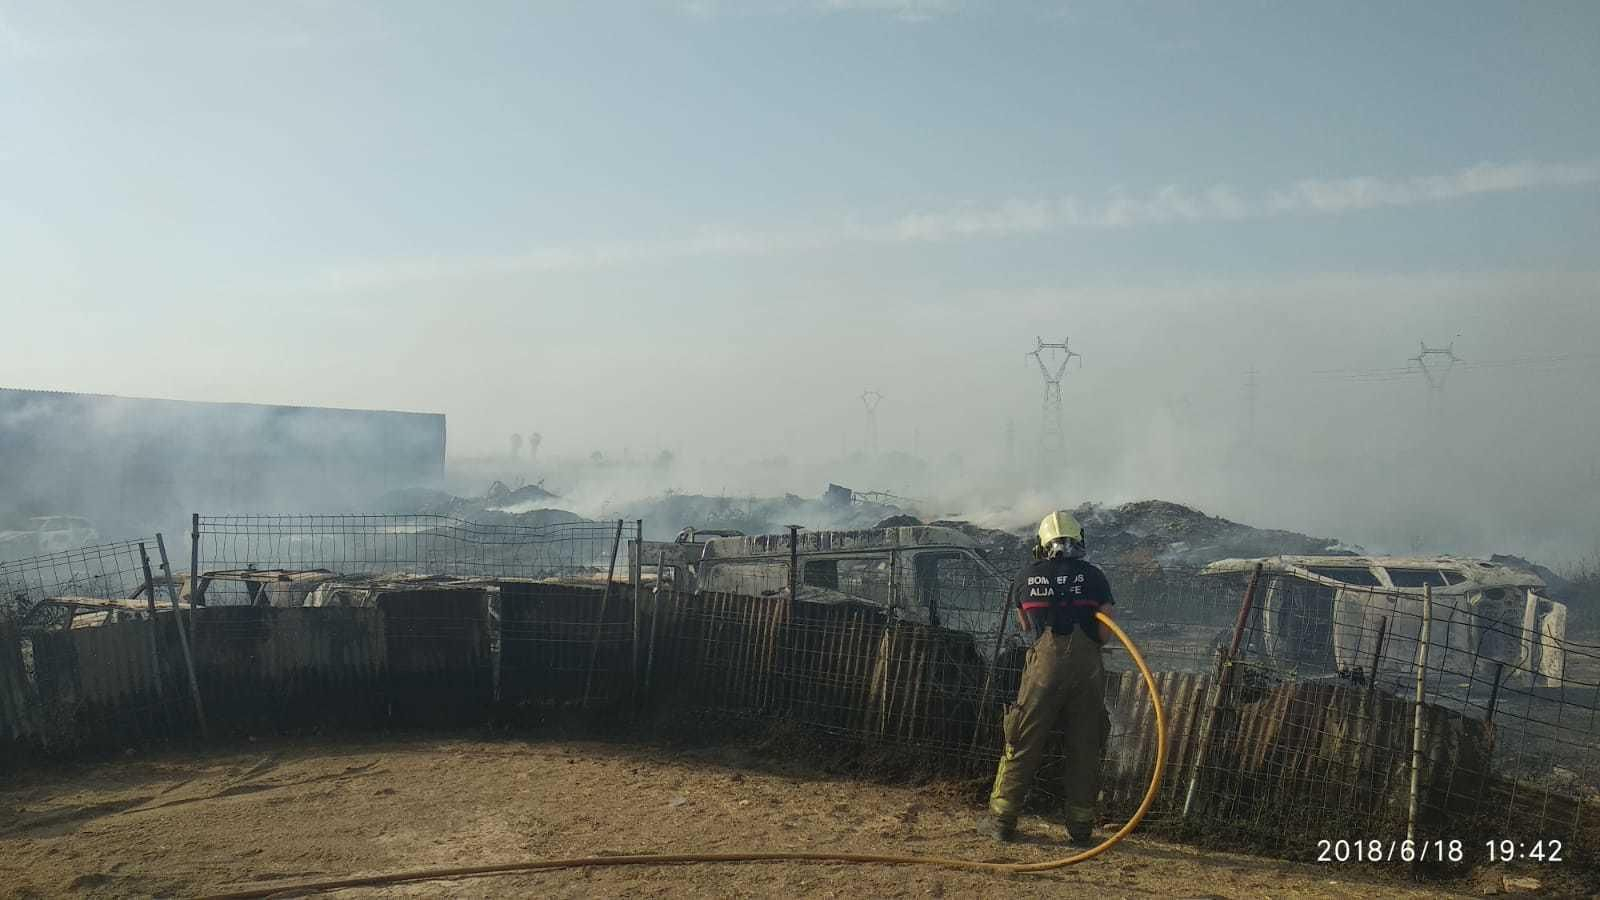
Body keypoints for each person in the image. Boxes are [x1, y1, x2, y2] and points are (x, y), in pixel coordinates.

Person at [983, 510, 1115, 845]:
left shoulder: (1026, 577)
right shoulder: (1095, 577)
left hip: (1043, 669)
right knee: (1085, 744)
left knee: (1022, 739)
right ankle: (1081, 827)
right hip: (1087, 672)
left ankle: (1003, 820)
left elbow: (1026, 626)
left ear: (1042, 544)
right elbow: (1105, 632)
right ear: (1079, 540)